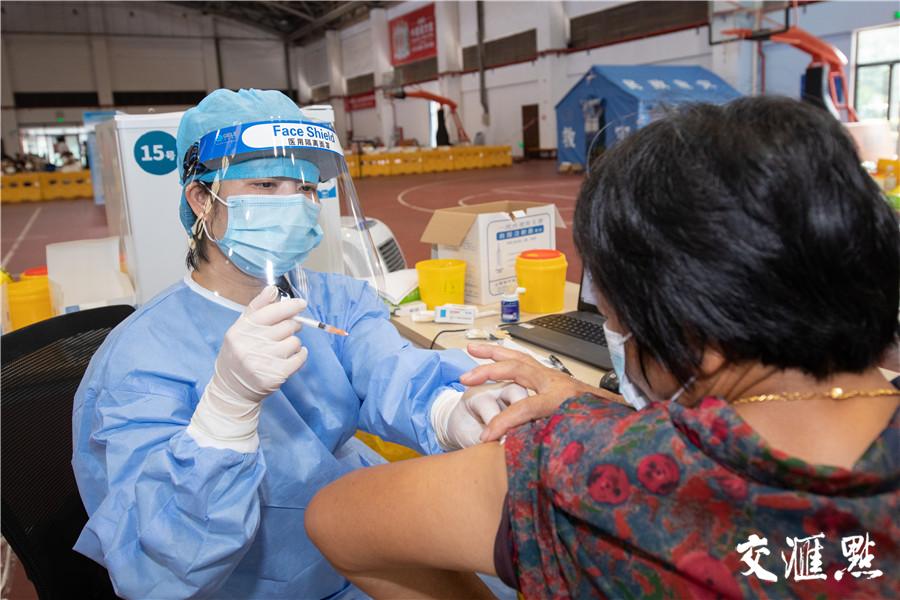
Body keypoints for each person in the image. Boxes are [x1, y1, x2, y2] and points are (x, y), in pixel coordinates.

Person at [306, 96, 900, 598]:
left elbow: (339, 519)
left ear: (688, 321)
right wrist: (591, 405)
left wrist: (574, 433)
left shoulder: (586, 472)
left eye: (616, 314)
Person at [72, 88, 522, 599]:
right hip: (246, 581)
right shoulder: (139, 357)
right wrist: (226, 413)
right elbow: (156, 565)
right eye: (265, 184)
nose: (293, 207)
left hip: (366, 540)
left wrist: (452, 410)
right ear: (201, 198)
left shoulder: (332, 300)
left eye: (307, 191)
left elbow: (386, 367)